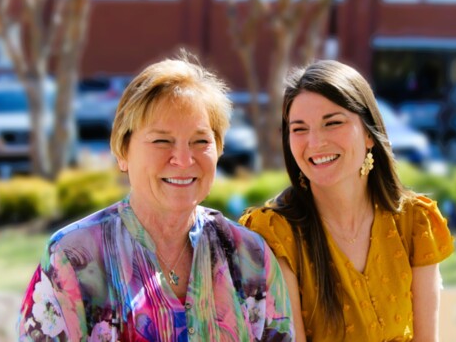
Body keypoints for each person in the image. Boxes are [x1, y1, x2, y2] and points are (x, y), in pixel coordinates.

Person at [17, 53, 295, 341]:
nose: (184, 159)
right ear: (123, 152)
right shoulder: (74, 258)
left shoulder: (248, 256)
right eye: (162, 141)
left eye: (201, 141)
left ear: (219, 149)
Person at [239, 59, 454, 341]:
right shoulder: (274, 232)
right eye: (300, 129)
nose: (315, 143)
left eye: (333, 123)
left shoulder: (415, 221)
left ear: (369, 134)